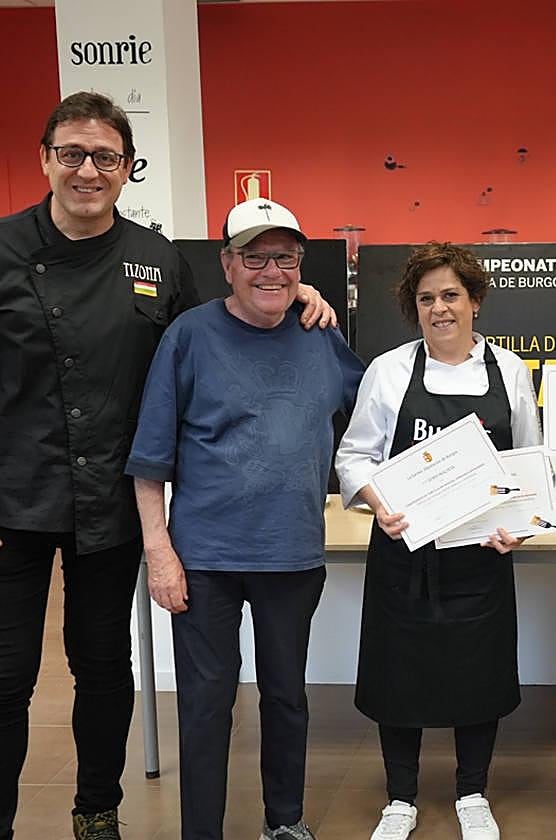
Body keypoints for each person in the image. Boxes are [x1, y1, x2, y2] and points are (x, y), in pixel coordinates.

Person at [0, 92, 334, 840]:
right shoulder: (2, 248)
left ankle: (97, 813)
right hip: (12, 497)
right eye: (74, 154)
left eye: (106, 157)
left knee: (103, 667)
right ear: (46, 159)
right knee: (6, 679)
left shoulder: (155, 260)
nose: (89, 170)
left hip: (109, 502)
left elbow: (226, 327)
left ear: (126, 169)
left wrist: (295, 287)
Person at [125, 198, 363, 840]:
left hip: (292, 556)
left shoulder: (321, 335)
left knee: (287, 699)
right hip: (204, 560)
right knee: (205, 707)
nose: (271, 271)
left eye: (285, 258)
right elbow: (149, 461)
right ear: (227, 263)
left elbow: (371, 425)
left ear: (301, 265)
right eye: (254, 256)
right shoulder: (190, 337)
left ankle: (284, 822)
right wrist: (160, 554)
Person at [335, 242, 540, 840]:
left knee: (478, 678)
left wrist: (519, 527)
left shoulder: (512, 373)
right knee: (399, 676)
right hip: (406, 557)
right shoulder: (390, 371)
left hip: (480, 558)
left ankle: (473, 792)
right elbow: (355, 457)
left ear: (475, 301)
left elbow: (527, 465)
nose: (439, 309)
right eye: (426, 299)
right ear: (413, 308)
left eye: (451, 295)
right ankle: (400, 799)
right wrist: (380, 502)